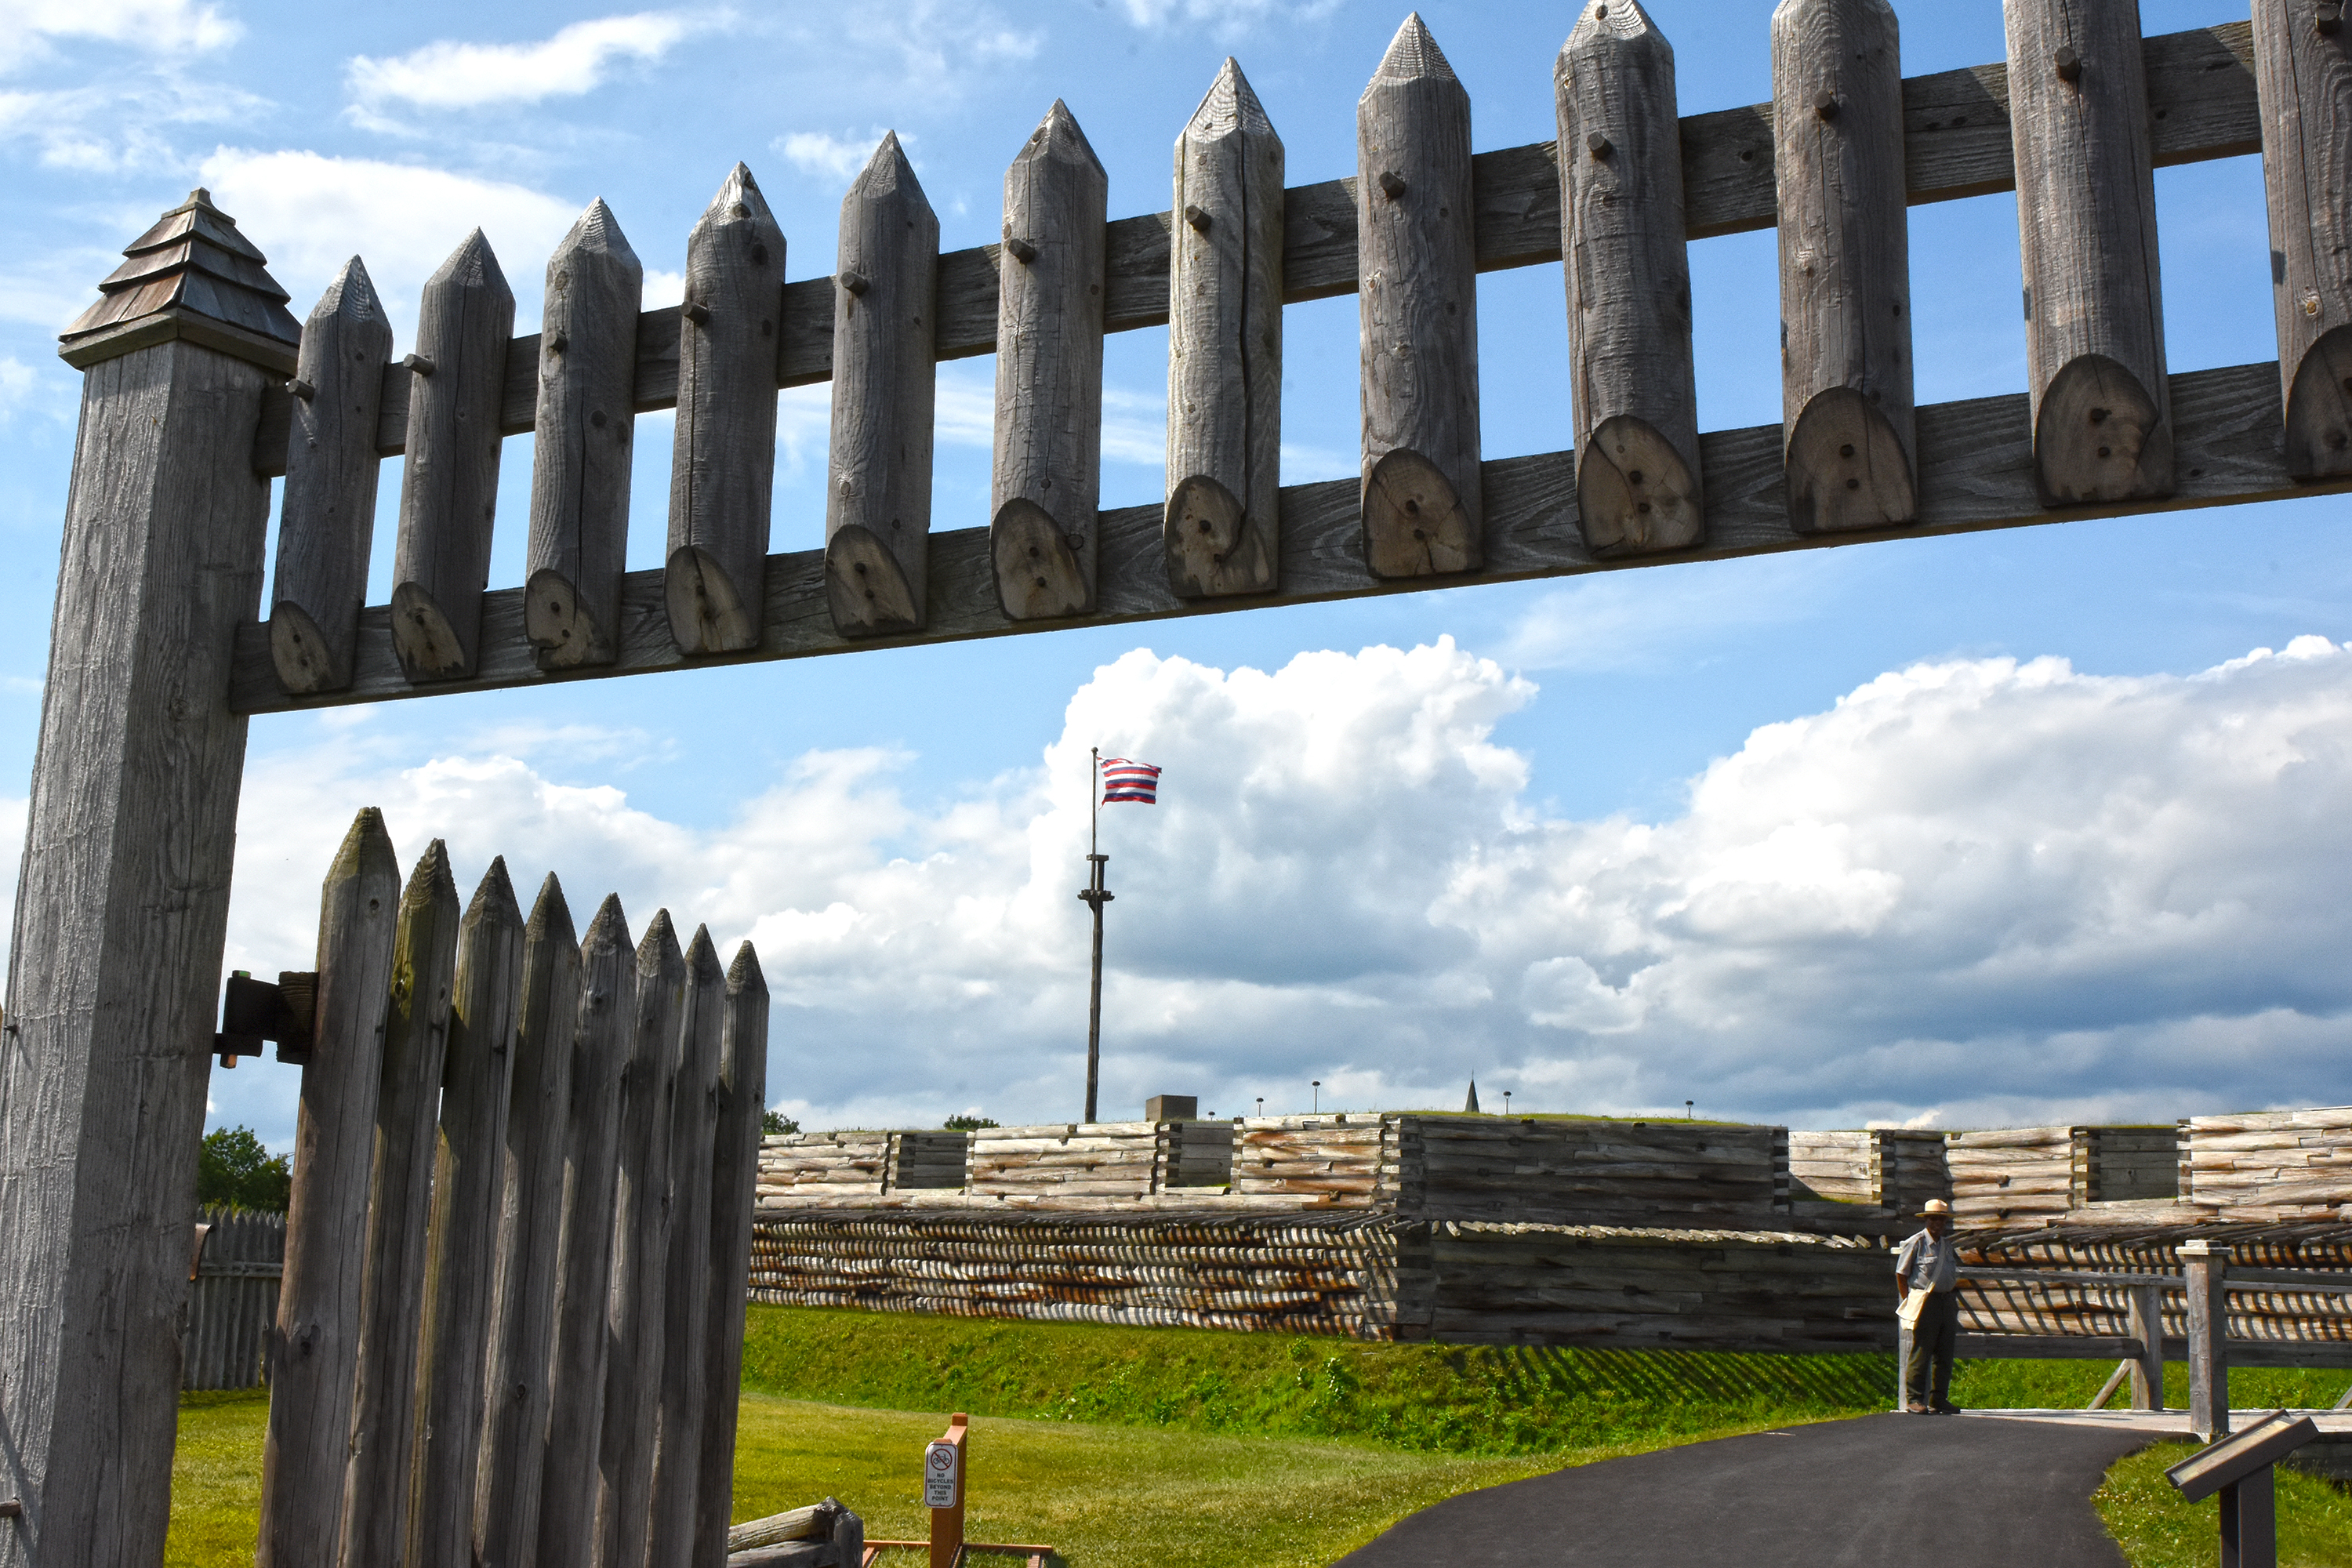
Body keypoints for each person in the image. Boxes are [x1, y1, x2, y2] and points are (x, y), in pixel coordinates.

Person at [1896, 1198, 1962, 1414]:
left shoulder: (1946, 1245)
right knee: (1922, 1350)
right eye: (1933, 1219)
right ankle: (1914, 1399)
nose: (1937, 1224)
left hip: (1946, 1301)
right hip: (1926, 1302)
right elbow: (1901, 1274)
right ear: (1926, 1220)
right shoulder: (1915, 1243)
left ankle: (1939, 1398)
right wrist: (1909, 1300)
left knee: (1945, 1352)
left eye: (1941, 1220)